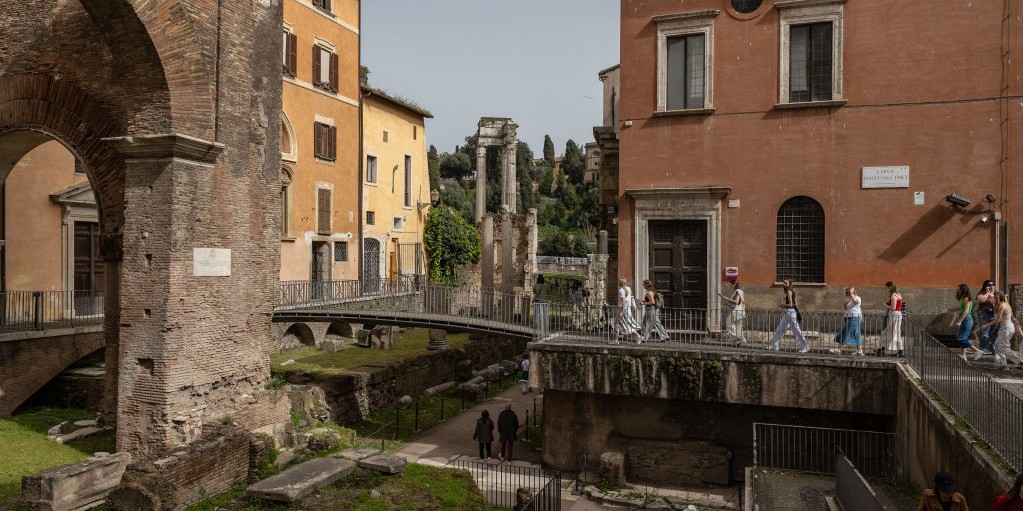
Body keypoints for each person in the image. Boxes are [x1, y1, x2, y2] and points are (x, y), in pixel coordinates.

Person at [981, 291, 1021, 368]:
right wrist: (996, 318)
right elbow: (1007, 316)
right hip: (1008, 327)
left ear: (997, 298)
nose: (993, 299)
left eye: (994, 298)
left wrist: (986, 325)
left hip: (1005, 328)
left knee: (1004, 348)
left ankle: (1020, 361)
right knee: (998, 344)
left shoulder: (1002, 306)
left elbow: (998, 320)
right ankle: (1001, 364)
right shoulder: (1006, 304)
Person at [769, 279, 809, 353]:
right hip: (789, 312)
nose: (784, 284)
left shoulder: (789, 292)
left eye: (786, 283)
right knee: (780, 328)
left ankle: (805, 346)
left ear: (789, 284)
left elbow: (790, 304)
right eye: (783, 283)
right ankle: (775, 345)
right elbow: (795, 303)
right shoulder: (792, 291)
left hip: (791, 313)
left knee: (796, 330)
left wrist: (782, 305)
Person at [830, 287, 863, 356]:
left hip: (854, 318)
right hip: (850, 318)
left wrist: (851, 293)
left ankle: (838, 349)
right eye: (847, 293)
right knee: (856, 333)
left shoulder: (858, 298)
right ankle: (860, 351)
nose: (848, 294)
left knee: (845, 333)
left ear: (853, 293)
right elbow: (846, 307)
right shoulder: (850, 300)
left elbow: (855, 301)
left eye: (848, 292)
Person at [951, 283, 981, 357]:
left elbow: (966, 311)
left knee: (961, 338)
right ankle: (963, 355)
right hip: (965, 318)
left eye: (958, 289)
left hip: (966, 319)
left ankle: (977, 351)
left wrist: (959, 321)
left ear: (962, 290)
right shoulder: (965, 298)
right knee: (962, 337)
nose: (957, 290)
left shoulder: (966, 298)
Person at [878, 281, 904, 357]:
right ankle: (899, 350)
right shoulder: (898, 294)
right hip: (898, 315)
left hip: (894, 315)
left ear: (889, 287)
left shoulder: (893, 296)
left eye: (886, 288)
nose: (886, 289)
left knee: (890, 332)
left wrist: (885, 305)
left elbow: (893, 308)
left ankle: (882, 348)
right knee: (895, 332)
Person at [974, 279, 999, 359]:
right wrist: (988, 292)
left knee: (994, 332)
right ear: (985, 286)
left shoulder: (996, 294)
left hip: (994, 314)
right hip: (983, 314)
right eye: (989, 285)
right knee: (985, 332)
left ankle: (994, 350)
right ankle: (983, 349)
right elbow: (981, 300)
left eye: (993, 284)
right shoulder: (982, 293)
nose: (991, 286)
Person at [614, 278, 642, 343]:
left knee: (618, 324)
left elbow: (623, 300)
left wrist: (622, 311)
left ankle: (638, 336)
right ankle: (616, 340)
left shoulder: (621, 290)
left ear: (619, 283)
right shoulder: (629, 288)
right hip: (628, 309)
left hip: (623, 309)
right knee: (623, 324)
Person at [720, 279, 746, 346]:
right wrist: (727, 303)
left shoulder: (738, 291)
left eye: (730, 284)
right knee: (738, 326)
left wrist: (726, 298)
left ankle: (738, 338)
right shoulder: (739, 291)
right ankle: (741, 341)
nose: (730, 286)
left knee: (729, 324)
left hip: (736, 310)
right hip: (739, 310)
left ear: (734, 284)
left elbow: (736, 302)